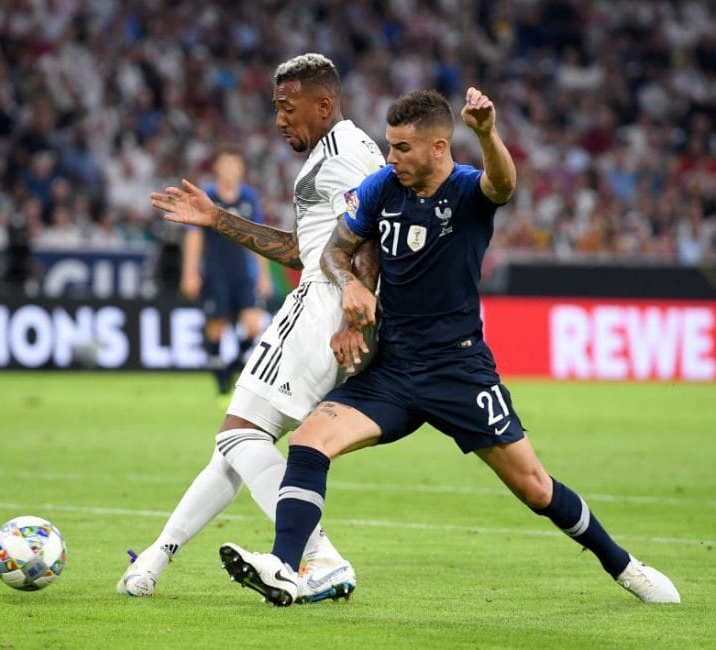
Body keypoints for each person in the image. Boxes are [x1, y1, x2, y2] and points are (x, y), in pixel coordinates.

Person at [219, 88, 681, 606]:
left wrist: (486, 133)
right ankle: (285, 568)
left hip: (458, 370)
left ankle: (625, 567)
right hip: (392, 367)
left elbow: (503, 183)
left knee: (534, 487)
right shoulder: (381, 189)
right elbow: (333, 252)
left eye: (402, 149)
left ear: (439, 147)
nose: (391, 158)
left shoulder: (465, 191)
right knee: (308, 442)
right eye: (389, 146)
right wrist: (347, 280)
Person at [118, 53, 386, 601]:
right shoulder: (347, 150)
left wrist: (356, 309)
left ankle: (319, 558)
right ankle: (155, 558)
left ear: (324, 104)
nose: (280, 120)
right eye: (276, 109)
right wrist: (219, 219)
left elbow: (373, 232)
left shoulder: (338, 160)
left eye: (288, 108)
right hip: (326, 298)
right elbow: (302, 247)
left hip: (323, 306)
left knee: (240, 432)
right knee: (238, 443)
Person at [180, 148, 272, 397]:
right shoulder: (207, 196)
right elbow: (194, 236)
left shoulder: (249, 198)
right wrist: (190, 272)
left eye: (235, 164)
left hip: (243, 272)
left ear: (241, 169)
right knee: (216, 327)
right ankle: (221, 379)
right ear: (217, 168)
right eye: (226, 164)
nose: (231, 169)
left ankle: (232, 367)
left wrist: (264, 275)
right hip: (215, 272)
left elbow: (258, 237)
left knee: (254, 325)